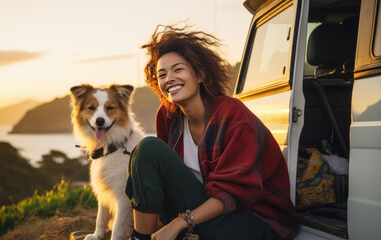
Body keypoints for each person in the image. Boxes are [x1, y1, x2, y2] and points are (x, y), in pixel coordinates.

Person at [125, 25, 299, 240]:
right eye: (162, 74)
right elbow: (164, 182)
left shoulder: (232, 115)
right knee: (147, 150)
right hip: (203, 213)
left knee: (149, 147)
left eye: (178, 70)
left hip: (252, 220)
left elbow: (232, 193)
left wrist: (179, 223)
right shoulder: (168, 116)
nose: (169, 78)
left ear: (200, 74)